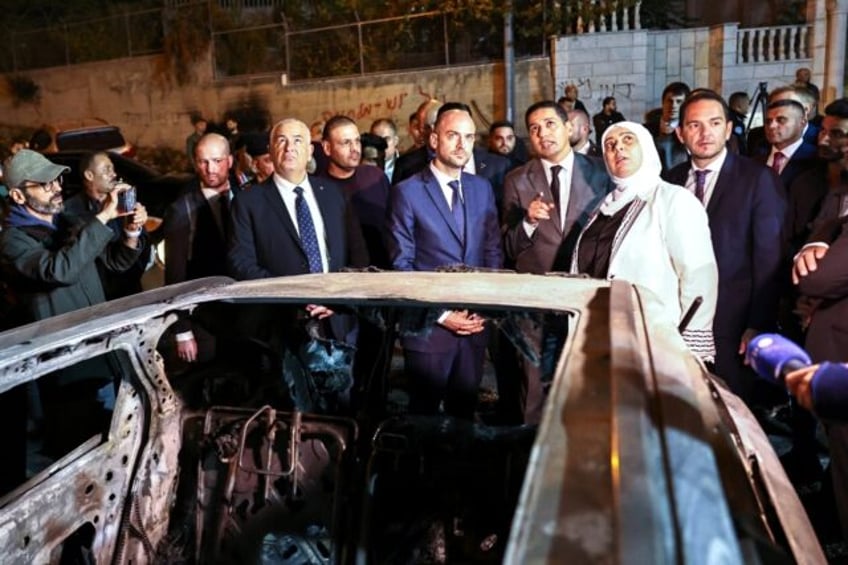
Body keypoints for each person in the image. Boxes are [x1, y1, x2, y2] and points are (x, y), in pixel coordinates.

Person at [0, 149, 146, 491]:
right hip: (65, 371)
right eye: (45, 184)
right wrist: (100, 220)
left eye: (57, 180)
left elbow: (113, 265)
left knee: (118, 450)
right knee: (81, 462)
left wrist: (130, 233)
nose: (55, 188)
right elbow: (59, 269)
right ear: (19, 195)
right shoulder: (12, 242)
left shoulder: (68, 224)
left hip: (103, 356)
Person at [664, 89, 787, 402]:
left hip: (734, 325)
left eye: (715, 123)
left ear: (729, 129)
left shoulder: (757, 179)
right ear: (680, 133)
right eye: (694, 125)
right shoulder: (670, 181)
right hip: (678, 324)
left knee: (734, 414)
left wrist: (759, 324)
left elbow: (769, 258)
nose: (705, 133)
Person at [386, 105, 502, 419]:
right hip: (428, 328)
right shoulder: (407, 193)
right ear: (434, 140)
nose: (462, 144)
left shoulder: (482, 189)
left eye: (469, 137)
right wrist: (442, 314)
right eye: (453, 136)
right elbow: (401, 265)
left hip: (475, 325)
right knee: (423, 417)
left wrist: (483, 308)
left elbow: (492, 252)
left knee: (464, 415)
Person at [501, 100, 612, 423]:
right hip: (535, 300)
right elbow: (509, 245)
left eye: (550, 124)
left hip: (585, 299)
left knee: (584, 382)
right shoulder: (516, 180)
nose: (542, 133)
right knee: (533, 385)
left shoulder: (600, 173)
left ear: (568, 128)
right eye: (534, 128)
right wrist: (529, 222)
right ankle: (531, 455)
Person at [571, 121, 718, 359]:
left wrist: (693, 349)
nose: (618, 148)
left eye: (628, 140)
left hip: (656, 343)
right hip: (598, 339)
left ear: (647, 147)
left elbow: (699, 275)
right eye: (610, 145)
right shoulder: (602, 207)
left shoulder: (672, 199)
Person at [228, 118, 368, 280]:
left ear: (310, 152)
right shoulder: (248, 202)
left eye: (297, 140)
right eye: (282, 141)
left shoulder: (334, 194)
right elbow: (241, 264)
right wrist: (292, 295)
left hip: (337, 301)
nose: (290, 148)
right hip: (280, 303)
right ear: (271, 151)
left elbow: (359, 255)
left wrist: (337, 299)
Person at [162, 133, 234, 364]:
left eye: (217, 161)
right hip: (207, 315)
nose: (210, 169)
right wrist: (182, 330)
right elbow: (175, 274)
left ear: (229, 161)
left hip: (246, 310)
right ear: (195, 164)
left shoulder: (246, 197)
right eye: (203, 162)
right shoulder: (181, 209)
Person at [64, 151, 151, 300]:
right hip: (100, 298)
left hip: (131, 292)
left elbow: (143, 249)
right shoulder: (71, 211)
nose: (114, 174)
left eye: (112, 168)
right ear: (89, 175)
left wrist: (135, 228)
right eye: (106, 169)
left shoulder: (123, 203)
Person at [320, 115, 391, 269]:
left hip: (384, 272)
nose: (354, 149)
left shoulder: (375, 177)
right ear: (327, 147)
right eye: (346, 143)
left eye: (357, 141)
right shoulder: (319, 188)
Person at [646, 81, 691, 172]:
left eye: (679, 102)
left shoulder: (689, 131)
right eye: (670, 101)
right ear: (663, 103)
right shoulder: (645, 130)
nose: (673, 106)